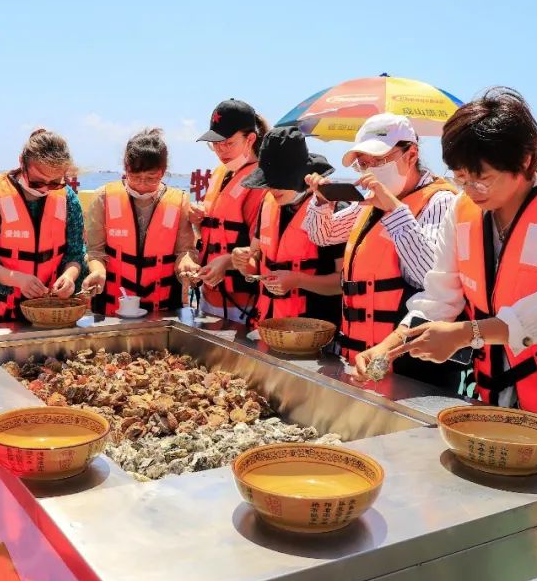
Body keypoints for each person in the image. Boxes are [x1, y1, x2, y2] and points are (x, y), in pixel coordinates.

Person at [355, 88, 537, 451]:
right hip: (506, 392)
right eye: (460, 177)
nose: (470, 189)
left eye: (481, 178)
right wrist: (387, 346)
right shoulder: (462, 209)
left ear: (526, 160)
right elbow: (439, 295)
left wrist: (465, 334)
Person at [302, 113, 460, 388]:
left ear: (411, 154)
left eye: (380, 160)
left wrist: (394, 210)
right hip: (360, 357)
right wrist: (321, 201)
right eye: (364, 164)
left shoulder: (440, 201)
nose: (371, 169)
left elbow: (432, 277)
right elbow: (322, 235)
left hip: (411, 366)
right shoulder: (370, 203)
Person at [0, 129, 87, 323]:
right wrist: (18, 279)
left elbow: (76, 253)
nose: (45, 189)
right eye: (38, 181)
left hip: (48, 306)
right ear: (22, 163)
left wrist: (69, 277)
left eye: (55, 183)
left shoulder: (68, 199)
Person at [229, 126, 343, 326]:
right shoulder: (268, 203)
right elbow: (256, 259)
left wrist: (298, 280)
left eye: (279, 181)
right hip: (268, 325)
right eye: (268, 181)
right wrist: (244, 260)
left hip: (314, 332)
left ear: (302, 176)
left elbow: (343, 282)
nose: (272, 188)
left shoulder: (334, 207)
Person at [82, 129, 199, 315]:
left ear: (163, 172)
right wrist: (97, 271)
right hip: (114, 301)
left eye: (151, 178)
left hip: (162, 303)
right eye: (135, 177)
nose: (142, 185)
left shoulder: (179, 200)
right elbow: (95, 250)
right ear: (125, 168)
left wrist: (186, 264)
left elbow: (185, 250)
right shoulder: (104, 197)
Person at [191, 98, 271, 323]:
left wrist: (227, 261)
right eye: (215, 143)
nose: (220, 150)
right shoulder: (220, 174)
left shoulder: (262, 183)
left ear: (251, 139)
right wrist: (197, 223)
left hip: (243, 303)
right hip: (210, 295)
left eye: (228, 143)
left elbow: (263, 250)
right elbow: (212, 232)